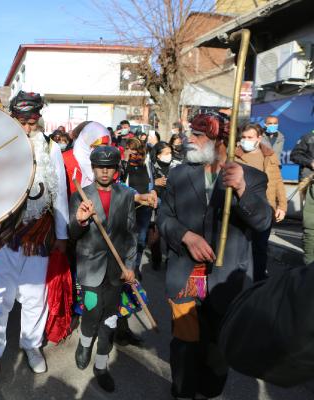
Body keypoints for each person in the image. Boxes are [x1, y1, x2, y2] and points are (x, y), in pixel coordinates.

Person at [157, 113, 272, 400]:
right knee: (184, 345)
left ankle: (209, 391)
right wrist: (186, 235)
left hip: (226, 282)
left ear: (221, 140)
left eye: (197, 135)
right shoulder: (179, 174)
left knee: (218, 350)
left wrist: (242, 188)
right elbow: (163, 217)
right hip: (185, 276)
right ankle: (183, 391)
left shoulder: (252, 177)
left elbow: (262, 221)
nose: (188, 140)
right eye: (190, 134)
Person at [0, 91, 69, 386]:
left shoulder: (51, 148)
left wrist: (61, 234)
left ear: (39, 119)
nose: (28, 128)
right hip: (3, 234)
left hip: (38, 233)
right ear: (13, 119)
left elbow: (60, 194)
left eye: (32, 121)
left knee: (34, 297)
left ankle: (31, 345)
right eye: (22, 122)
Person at [69, 146, 136, 392]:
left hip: (116, 269)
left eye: (109, 166)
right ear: (93, 168)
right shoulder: (81, 194)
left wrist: (130, 266)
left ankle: (101, 363)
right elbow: (72, 233)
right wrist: (81, 220)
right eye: (99, 166)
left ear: (116, 169)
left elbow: (130, 235)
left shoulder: (126, 194)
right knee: (91, 310)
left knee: (110, 315)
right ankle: (85, 343)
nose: (104, 171)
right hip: (90, 267)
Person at [235, 123, 287, 281]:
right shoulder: (234, 155)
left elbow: (278, 181)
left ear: (258, 138)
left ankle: (258, 281)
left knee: (260, 247)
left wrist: (282, 206)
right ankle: (237, 280)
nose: (245, 141)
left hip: (265, 208)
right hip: (241, 208)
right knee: (240, 248)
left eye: (250, 137)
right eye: (243, 137)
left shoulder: (269, 155)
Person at [121, 138, 157, 280]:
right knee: (128, 238)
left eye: (136, 151)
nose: (133, 154)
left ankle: (136, 266)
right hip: (128, 206)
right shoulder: (123, 165)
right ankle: (126, 266)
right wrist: (123, 161)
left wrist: (153, 192)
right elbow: (121, 184)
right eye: (130, 151)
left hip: (145, 208)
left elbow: (151, 183)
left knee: (141, 240)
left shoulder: (146, 164)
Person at [149, 141, 180, 270]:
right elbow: (145, 182)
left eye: (170, 153)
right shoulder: (150, 166)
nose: (169, 155)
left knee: (170, 234)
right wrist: (155, 182)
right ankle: (156, 259)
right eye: (166, 153)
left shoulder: (177, 165)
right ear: (158, 155)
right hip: (155, 204)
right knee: (155, 234)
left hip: (172, 203)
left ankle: (169, 260)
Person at [290, 128, 314, 264]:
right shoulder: (308, 137)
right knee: (310, 223)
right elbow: (295, 155)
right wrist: (310, 163)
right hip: (309, 183)